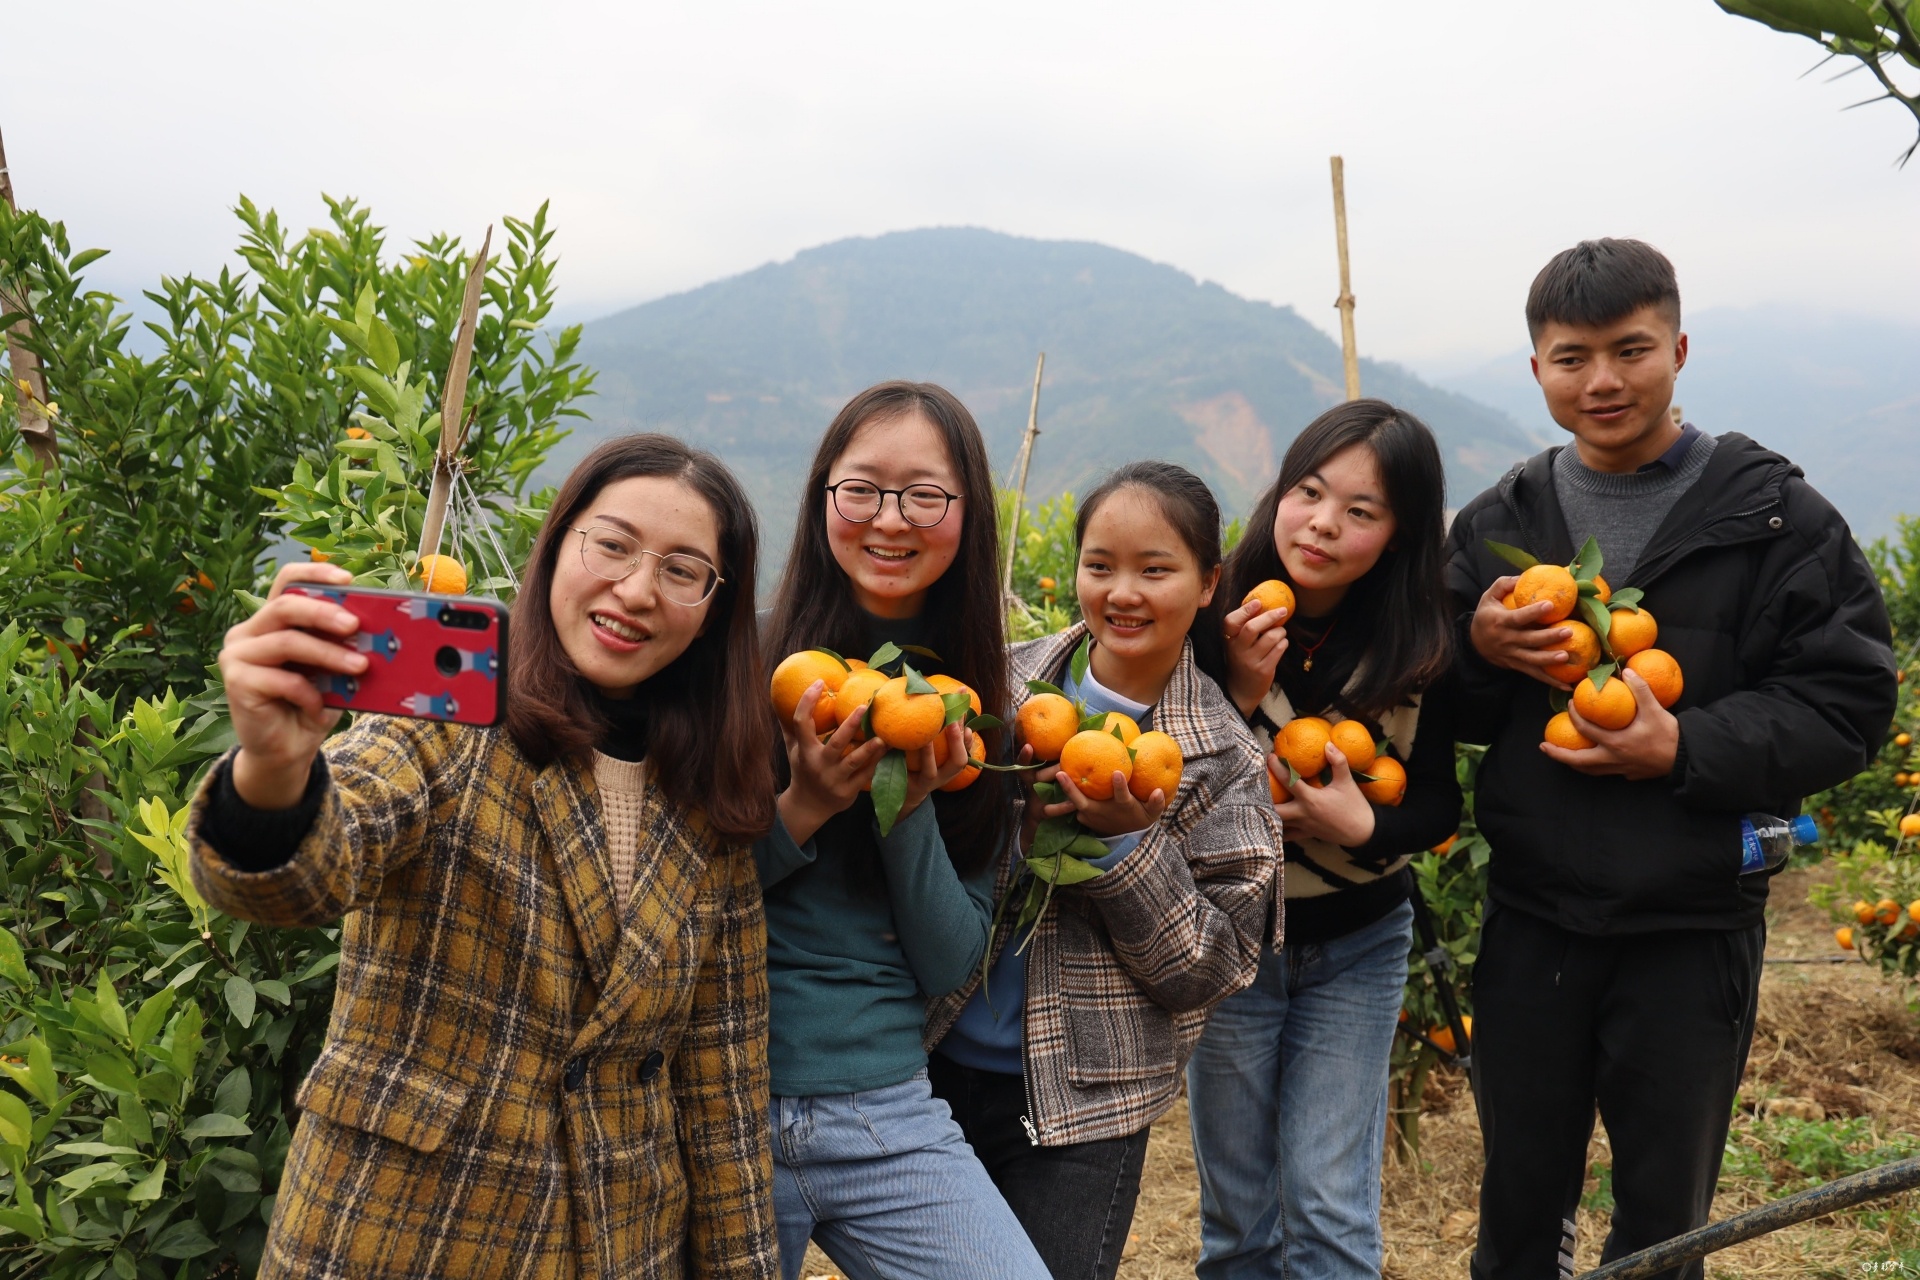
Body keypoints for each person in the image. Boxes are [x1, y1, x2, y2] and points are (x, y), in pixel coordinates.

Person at [188, 434, 781, 1278]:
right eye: (611, 544)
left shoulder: (709, 804)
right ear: (558, 543)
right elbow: (317, 867)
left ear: (716, 607)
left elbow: (722, 1099)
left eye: (683, 571)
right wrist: (276, 772)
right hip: (403, 1233)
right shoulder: (453, 721)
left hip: (619, 1245)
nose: (636, 589)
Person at [1445, 238, 1896, 1280]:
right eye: (1572, 357)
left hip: (1691, 930)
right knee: (1517, 1209)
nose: (1602, 380)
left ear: (1679, 349)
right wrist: (1478, 649)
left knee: (1665, 1223)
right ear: (1537, 370)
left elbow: (1850, 699)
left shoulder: (1776, 518)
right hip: (1533, 923)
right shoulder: (1503, 523)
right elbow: (1434, 701)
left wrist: (1683, 746)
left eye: (1630, 349)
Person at [924, 460, 1281, 1280]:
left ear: (1206, 584)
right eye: (1100, 565)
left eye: (1156, 570)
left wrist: (1127, 845)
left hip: (1087, 1105)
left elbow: (1212, 966)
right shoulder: (998, 689)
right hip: (932, 1063)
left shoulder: (1223, 758)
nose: (1123, 592)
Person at [758, 382, 1049, 1280]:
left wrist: (906, 805)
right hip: (718, 1102)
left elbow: (951, 961)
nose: (890, 519)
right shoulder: (749, 670)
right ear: (822, 499)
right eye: (862, 490)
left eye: (925, 494)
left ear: (967, 515)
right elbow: (678, 893)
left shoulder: (988, 716)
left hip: (886, 1114)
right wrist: (804, 803)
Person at [1185, 400, 1461, 1278]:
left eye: (1362, 511)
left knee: (1331, 1211)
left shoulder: (1418, 640)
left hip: (1357, 944)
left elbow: (1441, 808)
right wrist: (1233, 688)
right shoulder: (1212, 610)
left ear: (1398, 534)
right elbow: (1172, 780)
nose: (1324, 524)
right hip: (1231, 946)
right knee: (1238, 1220)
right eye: (1310, 491)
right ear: (1280, 492)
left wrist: (1367, 825)